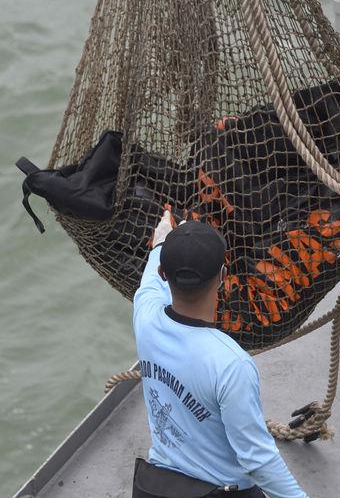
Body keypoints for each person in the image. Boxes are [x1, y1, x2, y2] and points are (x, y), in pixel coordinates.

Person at [132, 213, 308, 498]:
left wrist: (161, 240)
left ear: (165, 275)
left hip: (158, 489)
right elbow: (259, 462)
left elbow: (150, 277)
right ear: (224, 276)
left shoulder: (145, 317)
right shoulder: (231, 363)